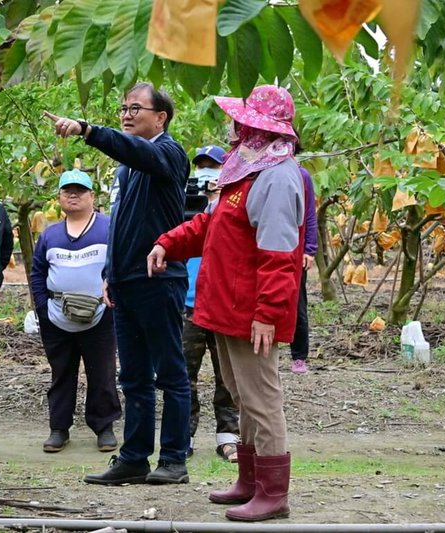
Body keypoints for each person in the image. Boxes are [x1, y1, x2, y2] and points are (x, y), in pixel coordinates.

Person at [148, 85, 304, 521]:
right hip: (226, 308)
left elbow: (278, 255)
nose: (235, 128)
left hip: (252, 312)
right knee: (242, 395)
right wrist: (168, 243)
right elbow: (209, 225)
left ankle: (273, 493)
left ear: (261, 126)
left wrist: (268, 315)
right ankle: (250, 481)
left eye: (244, 121)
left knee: (261, 398)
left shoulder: (276, 175)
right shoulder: (246, 170)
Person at [47, 82, 191, 485]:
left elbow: (137, 151)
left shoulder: (167, 153)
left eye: (136, 108)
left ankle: (175, 458)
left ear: (160, 117)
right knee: (133, 377)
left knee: (171, 374)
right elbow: (122, 225)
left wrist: (88, 130)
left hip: (160, 280)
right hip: (126, 283)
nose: (126, 114)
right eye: (123, 108)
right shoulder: (127, 168)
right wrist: (110, 273)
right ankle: (133, 458)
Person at [30, 169, 121, 454]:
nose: (73, 195)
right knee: (61, 373)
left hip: (100, 315)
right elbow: (37, 273)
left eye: (80, 190)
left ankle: (104, 427)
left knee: (103, 373)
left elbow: (120, 265)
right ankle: (59, 429)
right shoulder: (50, 234)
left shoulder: (108, 228)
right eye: (67, 190)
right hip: (57, 316)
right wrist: (43, 308)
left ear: (92, 196)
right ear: (59, 197)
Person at [182, 145, 240, 462]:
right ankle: (183, 436)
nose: (208, 173)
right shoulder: (185, 205)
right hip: (187, 305)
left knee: (227, 376)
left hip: (223, 305)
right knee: (183, 376)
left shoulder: (234, 209)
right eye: (202, 167)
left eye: (214, 167)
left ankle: (228, 436)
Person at [290, 141, 317, 375]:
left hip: (296, 250)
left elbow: (309, 213)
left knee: (297, 303)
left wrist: (309, 249)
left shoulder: (301, 175)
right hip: (267, 247)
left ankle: (299, 356)